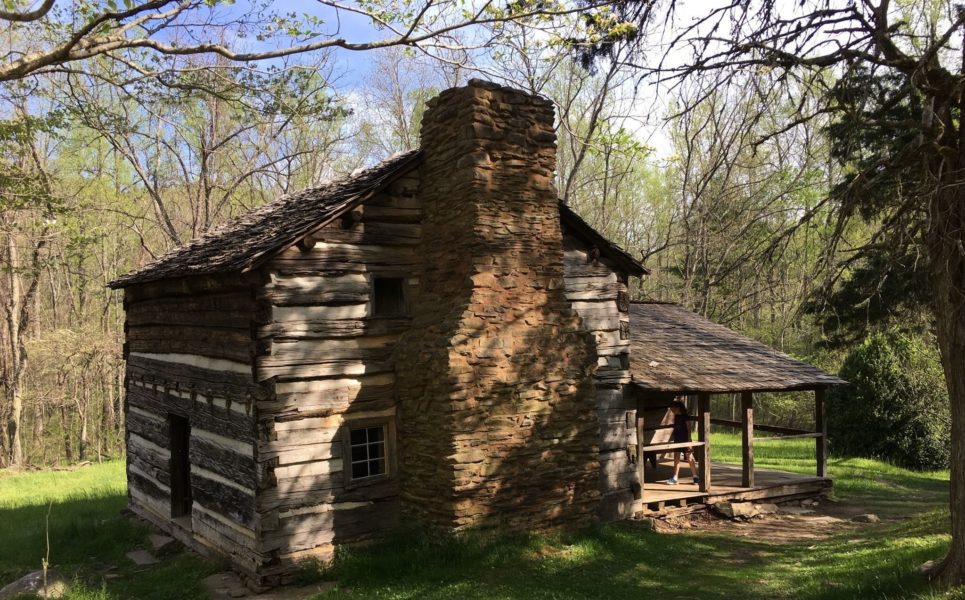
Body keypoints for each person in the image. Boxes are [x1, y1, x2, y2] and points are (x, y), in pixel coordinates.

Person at [662, 398, 699, 485]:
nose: (672, 411)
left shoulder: (685, 416)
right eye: (671, 409)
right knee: (676, 458)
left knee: (690, 458)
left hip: (685, 440)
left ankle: (695, 477)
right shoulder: (676, 416)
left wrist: (689, 441)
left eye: (673, 409)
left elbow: (689, 429)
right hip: (677, 440)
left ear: (678, 408)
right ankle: (675, 477)